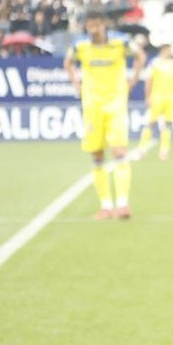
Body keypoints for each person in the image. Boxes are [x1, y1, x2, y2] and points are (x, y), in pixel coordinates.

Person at [65, 12, 143, 219]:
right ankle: (106, 206)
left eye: (96, 26)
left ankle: (123, 204)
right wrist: (77, 84)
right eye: (89, 26)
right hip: (92, 107)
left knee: (119, 152)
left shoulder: (121, 42)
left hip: (116, 104)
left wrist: (133, 79)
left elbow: (140, 55)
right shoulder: (80, 46)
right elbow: (68, 63)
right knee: (97, 155)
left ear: (104, 25)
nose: (92, 30)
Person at [137, 42, 173, 160]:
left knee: (168, 124)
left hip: (170, 98)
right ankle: (141, 148)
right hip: (157, 97)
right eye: (169, 49)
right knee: (151, 123)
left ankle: (164, 150)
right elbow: (149, 80)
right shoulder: (155, 63)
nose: (170, 52)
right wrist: (147, 96)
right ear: (163, 50)